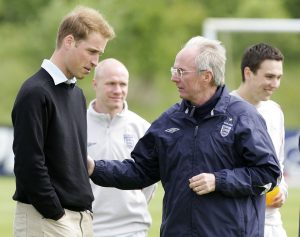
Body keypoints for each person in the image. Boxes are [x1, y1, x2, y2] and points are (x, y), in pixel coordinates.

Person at [87, 36, 281, 237]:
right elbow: (139, 171)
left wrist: (218, 180)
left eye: (180, 72)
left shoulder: (243, 117)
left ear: (206, 76)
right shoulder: (169, 121)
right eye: (174, 70)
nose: (173, 77)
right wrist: (94, 168)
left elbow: (267, 173)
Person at [11, 6, 115, 237]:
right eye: (91, 51)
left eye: (100, 54)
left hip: (79, 220)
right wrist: (55, 213)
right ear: (69, 41)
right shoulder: (35, 92)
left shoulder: (77, 94)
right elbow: (29, 164)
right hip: (46, 219)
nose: (96, 61)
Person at [87, 58, 156, 237]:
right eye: (111, 83)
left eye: (122, 84)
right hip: (87, 227)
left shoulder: (143, 128)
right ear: (95, 84)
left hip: (132, 229)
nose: (117, 90)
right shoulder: (76, 125)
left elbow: (149, 182)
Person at [231, 43, 288, 237]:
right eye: (269, 77)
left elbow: (278, 165)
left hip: (273, 224)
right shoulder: (224, 111)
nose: (275, 84)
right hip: (236, 223)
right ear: (248, 72)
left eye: (278, 77)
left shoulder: (275, 112)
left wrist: (282, 192)